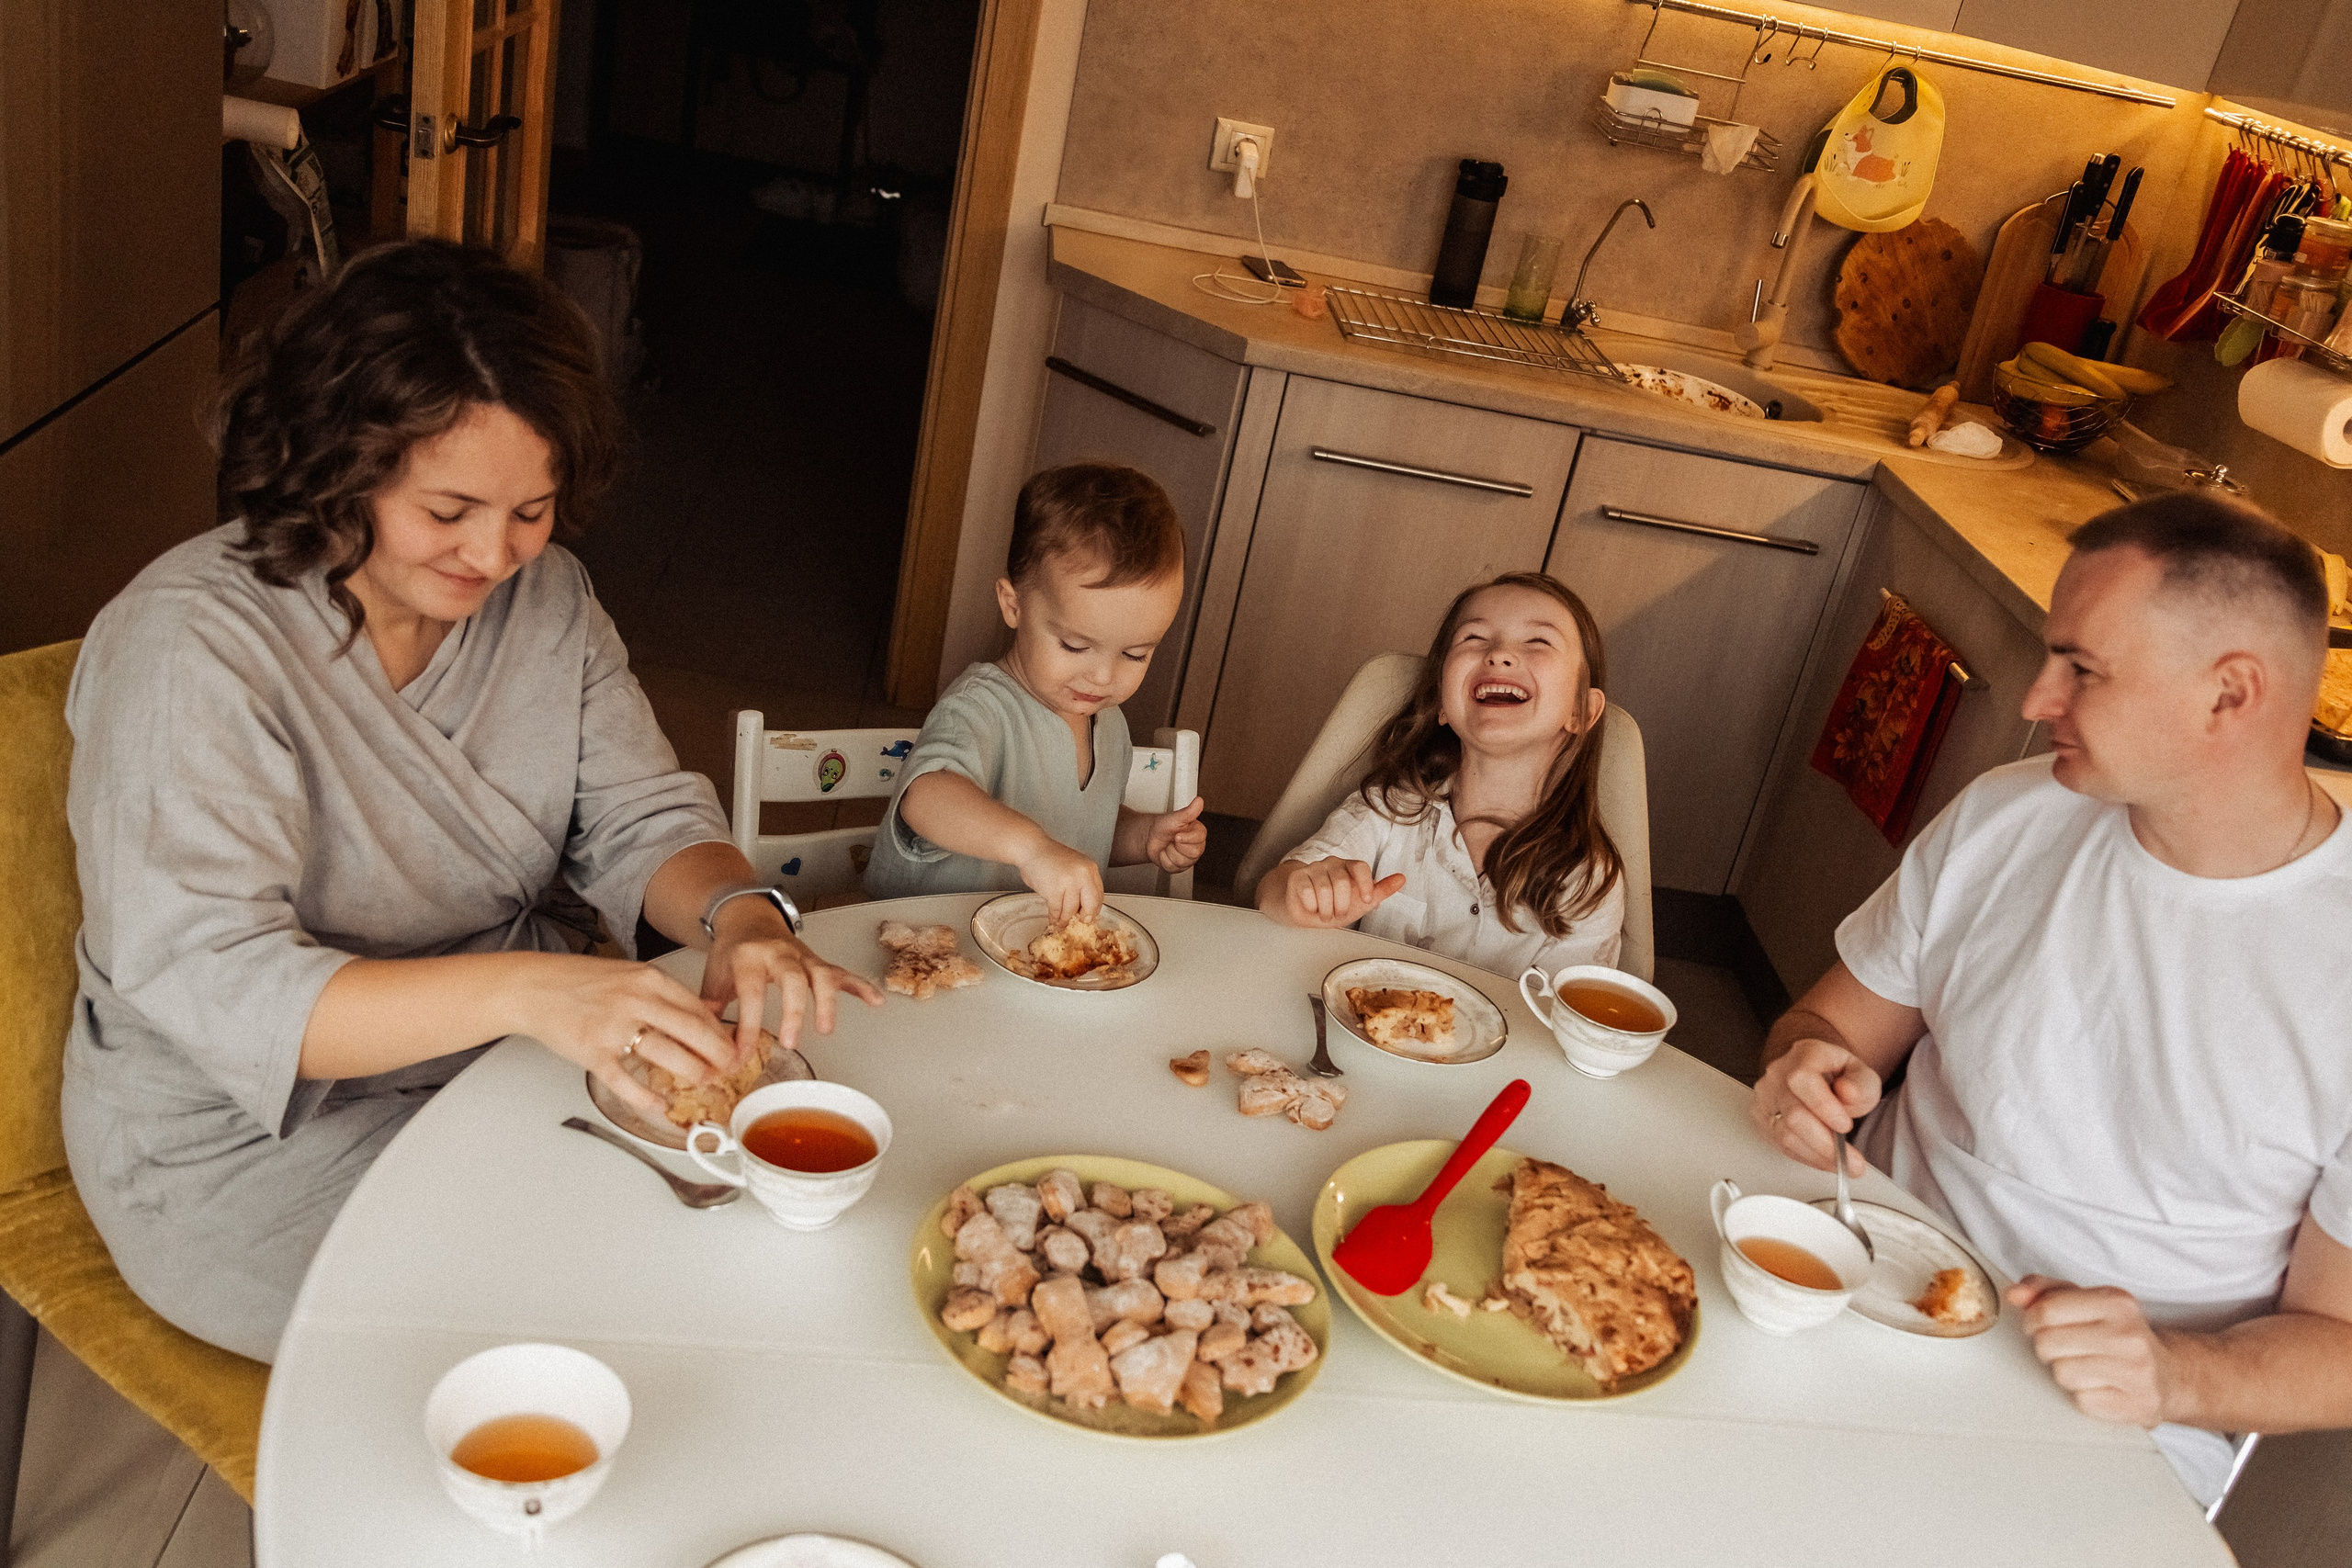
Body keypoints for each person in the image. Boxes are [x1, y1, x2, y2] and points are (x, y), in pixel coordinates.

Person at [61, 241, 881, 1363]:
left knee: (769, 1231)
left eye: (532, 511)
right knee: (616, 1305)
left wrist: (741, 920)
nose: (495, 555)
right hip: (239, 1139)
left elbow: (641, 816)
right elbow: (229, 983)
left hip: (500, 1056)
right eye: (450, 508)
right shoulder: (192, 650)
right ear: (336, 463)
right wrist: (541, 994)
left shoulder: (546, 602)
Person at [1748, 492, 2352, 1507]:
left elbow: (2338, 1344)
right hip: (1849, 1278)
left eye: (2082, 667)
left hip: (2107, 1427)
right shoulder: (2005, 818)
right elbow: (1826, 1025)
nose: (2035, 698)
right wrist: (1800, 1070)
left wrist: (2172, 1371)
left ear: (2229, 694)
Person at [863, 463, 1208, 921]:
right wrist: (1032, 849)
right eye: (1075, 645)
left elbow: (1083, 827)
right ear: (1014, 605)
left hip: (1024, 952)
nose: (1104, 677)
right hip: (929, 946)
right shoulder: (982, 707)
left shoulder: (1108, 724)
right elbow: (926, 797)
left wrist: (1143, 836)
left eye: (1136, 654)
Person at [1255, 571, 1626, 977]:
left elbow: (1571, 1021)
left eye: (1538, 641)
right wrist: (1298, 892)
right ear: (1441, 705)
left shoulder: (1590, 880)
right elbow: (1272, 893)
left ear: (1581, 711)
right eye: (1474, 638)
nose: (1499, 654)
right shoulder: (1388, 809)